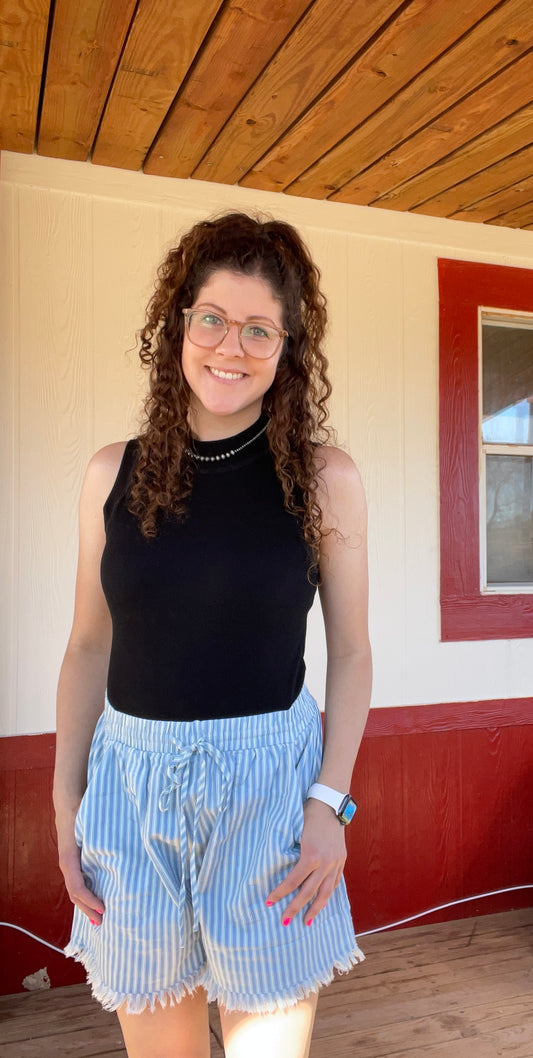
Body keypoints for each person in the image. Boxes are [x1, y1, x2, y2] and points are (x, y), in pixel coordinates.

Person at [53, 211, 372, 1058]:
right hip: (129, 795)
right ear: (179, 324)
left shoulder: (324, 479)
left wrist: (328, 804)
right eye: (212, 319)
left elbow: (351, 654)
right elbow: (88, 648)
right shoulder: (107, 475)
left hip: (272, 799)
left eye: (260, 329)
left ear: (287, 348)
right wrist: (63, 799)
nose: (232, 346)